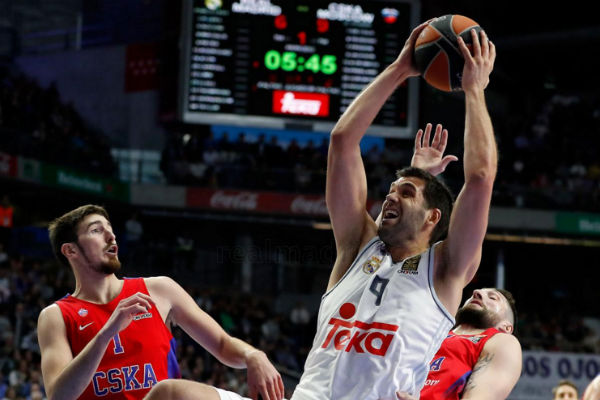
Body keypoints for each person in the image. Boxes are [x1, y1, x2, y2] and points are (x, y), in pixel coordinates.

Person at [290, 18, 497, 400]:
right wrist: (400, 68)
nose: (389, 197)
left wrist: (474, 88)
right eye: (390, 191)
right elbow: (342, 141)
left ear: (434, 218)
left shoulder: (447, 269)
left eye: (404, 193)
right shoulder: (356, 246)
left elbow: (480, 177)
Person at [37, 205, 284, 400]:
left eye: (109, 228)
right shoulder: (56, 315)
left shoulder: (158, 289)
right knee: (170, 392)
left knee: (170, 393)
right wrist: (106, 334)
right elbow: (59, 395)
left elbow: (222, 344)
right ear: (70, 251)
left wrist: (253, 355)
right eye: (96, 230)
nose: (111, 236)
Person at [394, 287, 521, 400]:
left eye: (493, 298)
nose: (476, 293)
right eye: (473, 294)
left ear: (506, 327)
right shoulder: (430, 332)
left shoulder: (501, 341)